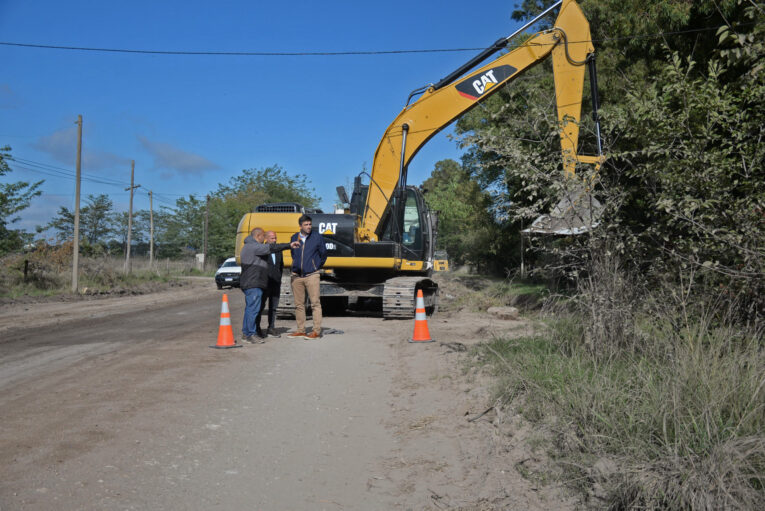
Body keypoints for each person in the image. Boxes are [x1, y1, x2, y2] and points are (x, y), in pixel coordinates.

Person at [239, 227, 298, 344]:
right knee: (253, 310)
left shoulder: (247, 246)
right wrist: (289, 245)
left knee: (250, 309)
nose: (264, 239)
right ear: (258, 236)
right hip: (254, 283)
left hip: (251, 282)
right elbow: (271, 247)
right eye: (263, 237)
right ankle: (251, 334)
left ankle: (246, 333)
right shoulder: (254, 246)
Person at [287, 214, 327, 340]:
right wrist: (296, 266)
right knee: (299, 305)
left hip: (312, 275)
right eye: (306, 225)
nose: (309, 227)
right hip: (297, 276)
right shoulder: (294, 237)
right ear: (300, 226)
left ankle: (316, 331)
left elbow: (323, 254)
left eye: (310, 224)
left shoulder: (317, 237)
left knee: (315, 304)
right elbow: (293, 254)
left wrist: (315, 267)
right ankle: (301, 330)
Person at [255, 230, 283, 338]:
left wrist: (279, 279)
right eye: (272, 238)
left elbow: (280, 266)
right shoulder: (262, 250)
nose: (274, 240)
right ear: (266, 239)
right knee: (260, 306)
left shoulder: (278, 250)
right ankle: (257, 328)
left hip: (276, 283)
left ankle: (271, 327)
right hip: (265, 283)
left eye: (275, 238)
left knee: (274, 307)